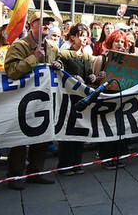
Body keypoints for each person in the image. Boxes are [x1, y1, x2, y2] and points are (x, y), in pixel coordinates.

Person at [4, 12, 60, 190]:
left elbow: (57, 65)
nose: (47, 25)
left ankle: (35, 172)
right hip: (23, 100)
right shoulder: (19, 46)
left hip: (43, 100)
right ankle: (14, 175)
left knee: (42, 137)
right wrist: (34, 58)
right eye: (42, 22)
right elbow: (11, 71)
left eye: (49, 23)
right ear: (31, 25)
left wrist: (59, 65)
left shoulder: (52, 46)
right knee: (20, 138)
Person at [53, 23, 101, 175]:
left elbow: (88, 76)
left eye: (86, 35)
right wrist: (73, 77)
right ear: (72, 37)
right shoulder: (65, 54)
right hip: (69, 97)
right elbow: (60, 67)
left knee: (80, 129)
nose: (84, 38)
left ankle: (76, 163)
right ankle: (65, 165)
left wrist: (93, 77)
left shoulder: (87, 56)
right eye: (81, 35)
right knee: (68, 130)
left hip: (82, 97)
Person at [93, 30, 130, 168]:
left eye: (122, 42)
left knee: (120, 127)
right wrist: (99, 77)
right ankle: (106, 158)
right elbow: (93, 80)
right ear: (111, 43)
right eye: (117, 41)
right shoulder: (101, 59)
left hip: (121, 97)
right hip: (106, 97)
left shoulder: (128, 59)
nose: (119, 44)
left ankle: (117, 156)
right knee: (107, 128)